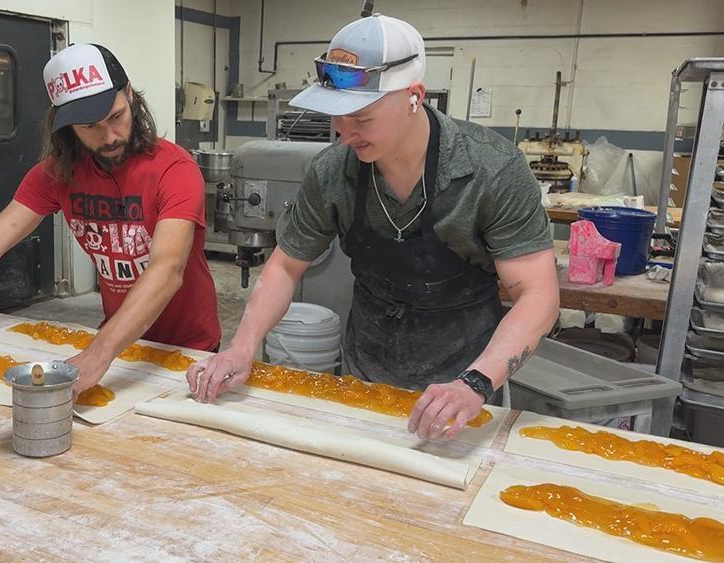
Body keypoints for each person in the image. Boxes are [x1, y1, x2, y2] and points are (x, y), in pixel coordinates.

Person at [187, 15, 558, 441]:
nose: (344, 134)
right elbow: (286, 266)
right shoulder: (332, 172)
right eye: (336, 117)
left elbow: (539, 294)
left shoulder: (491, 170)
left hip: (465, 384)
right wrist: (242, 347)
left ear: (413, 97)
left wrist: (475, 382)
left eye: (361, 117)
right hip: (365, 373)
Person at [0, 43, 221, 396]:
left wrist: (98, 353)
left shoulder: (174, 170)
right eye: (90, 126)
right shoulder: (57, 174)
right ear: (65, 126)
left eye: (116, 117)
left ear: (129, 94)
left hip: (188, 350)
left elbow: (167, 268)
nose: (110, 136)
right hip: (121, 347)